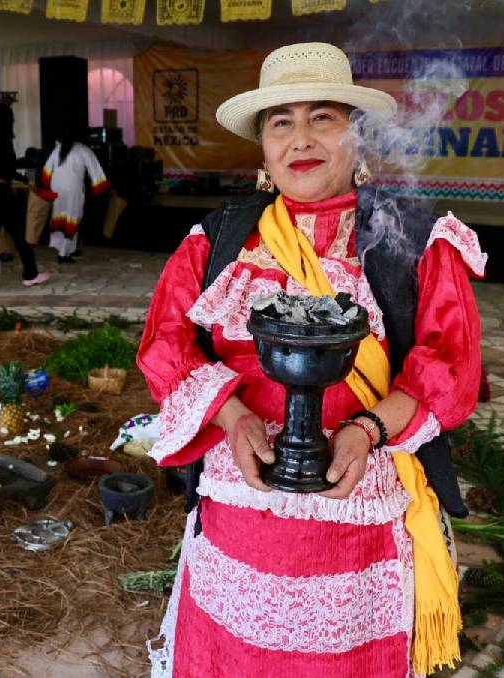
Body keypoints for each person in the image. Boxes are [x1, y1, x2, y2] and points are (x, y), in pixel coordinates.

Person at [138, 43, 485, 678]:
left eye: (323, 117)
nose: (301, 138)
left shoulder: (409, 236)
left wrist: (367, 428)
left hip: (362, 508)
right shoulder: (219, 240)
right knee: (235, 650)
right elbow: (166, 344)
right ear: (264, 149)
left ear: (356, 135)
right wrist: (235, 418)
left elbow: (449, 364)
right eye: (281, 122)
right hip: (243, 503)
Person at [0, 103, 49, 291]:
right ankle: (31, 274)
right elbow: (8, 166)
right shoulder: (2, 139)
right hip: (1, 191)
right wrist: (26, 172)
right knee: (20, 235)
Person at [38, 132, 108, 263]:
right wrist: (99, 187)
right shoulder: (83, 149)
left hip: (57, 187)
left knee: (60, 217)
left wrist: (46, 186)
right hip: (73, 188)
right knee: (72, 218)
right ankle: (63, 254)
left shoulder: (59, 148)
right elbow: (95, 169)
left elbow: (47, 168)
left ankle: (72, 248)